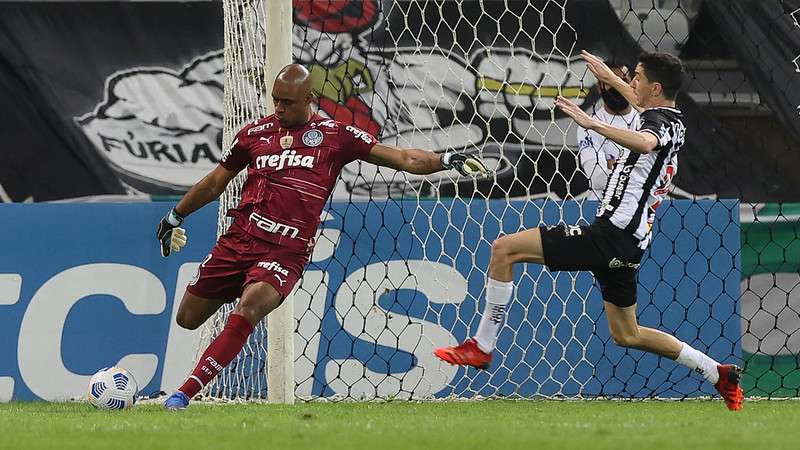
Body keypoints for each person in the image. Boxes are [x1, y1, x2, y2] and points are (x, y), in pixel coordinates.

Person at [157, 64, 488, 410]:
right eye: (275, 101)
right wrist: (175, 216)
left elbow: (403, 158)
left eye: (287, 102)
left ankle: (183, 394)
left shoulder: (336, 135)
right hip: (239, 240)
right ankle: (237, 289)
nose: (280, 108)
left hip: (286, 252)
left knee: (250, 306)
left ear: (309, 98)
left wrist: (445, 159)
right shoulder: (253, 134)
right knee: (188, 318)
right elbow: (214, 183)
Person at [433, 50, 744, 411]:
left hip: (610, 236)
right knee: (628, 333)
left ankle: (482, 347)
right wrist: (611, 79)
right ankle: (718, 372)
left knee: (504, 249)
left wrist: (592, 123)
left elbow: (644, 141)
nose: (632, 83)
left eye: (637, 77)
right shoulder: (671, 118)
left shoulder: (654, 125)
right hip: (628, 243)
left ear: (655, 87)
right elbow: (641, 110)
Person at [577, 60, 640, 200]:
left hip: (639, 205)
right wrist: (637, 169)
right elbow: (597, 179)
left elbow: (659, 172)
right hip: (601, 207)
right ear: (599, 87)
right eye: (610, 82)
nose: (616, 87)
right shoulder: (589, 125)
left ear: (632, 84)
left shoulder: (646, 119)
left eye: (622, 81)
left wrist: (614, 166)